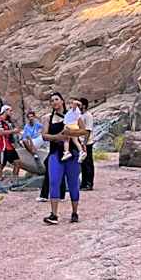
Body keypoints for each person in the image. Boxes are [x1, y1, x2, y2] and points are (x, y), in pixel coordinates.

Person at [41, 92, 87, 224]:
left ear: (62, 101)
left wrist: (70, 133)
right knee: (54, 181)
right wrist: (57, 137)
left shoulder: (73, 116)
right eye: (52, 100)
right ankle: (54, 214)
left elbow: (83, 131)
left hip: (72, 153)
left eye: (56, 99)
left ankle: (74, 212)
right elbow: (44, 136)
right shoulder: (47, 118)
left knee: (73, 183)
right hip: (55, 153)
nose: (54, 102)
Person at [0, 105, 21, 182]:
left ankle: (14, 181)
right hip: (2, 146)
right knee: (1, 165)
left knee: (17, 162)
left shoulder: (8, 121)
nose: (11, 112)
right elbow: (1, 132)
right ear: (5, 111)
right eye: (10, 110)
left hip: (10, 146)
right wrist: (13, 131)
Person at [79, 98, 95, 190]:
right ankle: (84, 183)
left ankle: (89, 183)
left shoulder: (88, 116)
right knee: (83, 164)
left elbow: (88, 130)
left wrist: (84, 143)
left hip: (87, 143)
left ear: (84, 105)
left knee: (88, 163)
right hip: (80, 142)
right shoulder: (80, 115)